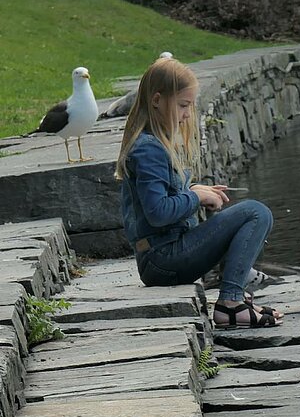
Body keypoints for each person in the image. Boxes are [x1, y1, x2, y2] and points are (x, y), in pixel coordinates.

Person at [115, 57, 283, 328]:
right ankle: (230, 304)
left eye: (190, 106)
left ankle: (236, 296)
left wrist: (193, 189)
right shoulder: (149, 149)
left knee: (254, 215)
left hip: (160, 259)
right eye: (183, 105)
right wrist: (197, 198)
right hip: (162, 259)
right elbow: (157, 213)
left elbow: (161, 198)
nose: (187, 114)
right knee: (256, 213)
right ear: (157, 100)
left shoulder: (153, 143)